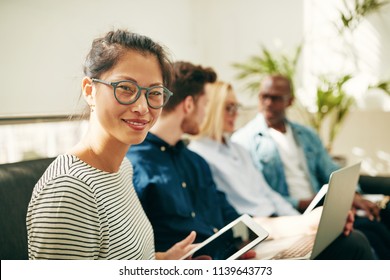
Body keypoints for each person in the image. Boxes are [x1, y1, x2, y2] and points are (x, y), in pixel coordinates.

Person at [127, 62, 374, 260]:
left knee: (349, 241)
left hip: (239, 254)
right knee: (353, 244)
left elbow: (238, 224)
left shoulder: (194, 163)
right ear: (190, 104)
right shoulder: (135, 166)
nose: (206, 114)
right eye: (207, 105)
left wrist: (305, 224)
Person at [26, 29, 198, 260]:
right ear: (89, 91)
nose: (143, 108)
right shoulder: (68, 190)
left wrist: (163, 261)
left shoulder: (122, 168)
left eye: (154, 92)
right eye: (126, 88)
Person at [232, 74, 390, 259]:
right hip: (290, 214)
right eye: (263, 96)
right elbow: (259, 194)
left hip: (320, 202)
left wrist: (353, 195)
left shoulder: (306, 135)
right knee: (364, 236)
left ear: (289, 101)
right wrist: (302, 203)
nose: (267, 103)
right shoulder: (244, 141)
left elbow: (330, 168)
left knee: (379, 224)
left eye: (275, 98)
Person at [189, 81, 299, 217]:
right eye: (229, 108)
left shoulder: (239, 149)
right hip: (254, 226)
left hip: (275, 218)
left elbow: (267, 192)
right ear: (213, 109)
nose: (236, 114)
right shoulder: (198, 154)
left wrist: (296, 218)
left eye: (236, 107)